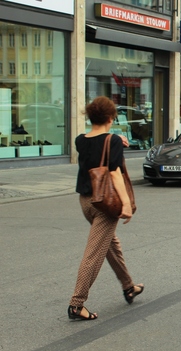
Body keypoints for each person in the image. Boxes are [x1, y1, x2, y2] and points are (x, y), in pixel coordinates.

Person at [69, 96, 143, 320]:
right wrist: (127, 204)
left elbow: (96, 143)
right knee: (94, 254)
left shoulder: (80, 140)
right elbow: (114, 174)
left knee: (110, 243)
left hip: (86, 202)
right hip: (105, 204)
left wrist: (116, 139)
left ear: (90, 117)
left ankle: (128, 286)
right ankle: (76, 303)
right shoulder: (112, 142)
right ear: (111, 118)